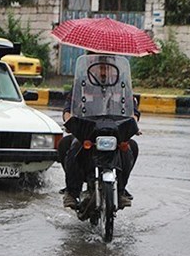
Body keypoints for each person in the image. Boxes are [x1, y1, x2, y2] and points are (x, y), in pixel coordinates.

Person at [59, 56, 140, 211]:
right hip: (87, 129)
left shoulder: (122, 85)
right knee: (70, 145)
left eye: (107, 66)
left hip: (115, 130)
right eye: (100, 67)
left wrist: (133, 124)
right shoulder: (81, 85)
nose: (103, 71)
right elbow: (68, 109)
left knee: (131, 147)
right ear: (92, 66)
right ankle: (72, 191)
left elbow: (133, 110)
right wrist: (69, 122)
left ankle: (121, 190)